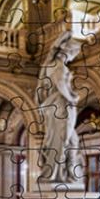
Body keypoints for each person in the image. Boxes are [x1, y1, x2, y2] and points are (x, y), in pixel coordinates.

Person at [36, 31, 82, 184]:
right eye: (74, 54)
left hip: (57, 105)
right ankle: (57, 174)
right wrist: (71, 97)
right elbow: (60, 83)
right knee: (62, 139)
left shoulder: (51, 65)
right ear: (69, 52)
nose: (74, 57)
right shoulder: (59, 66)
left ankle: (68, 172)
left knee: (71, 139)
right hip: (61, 105)